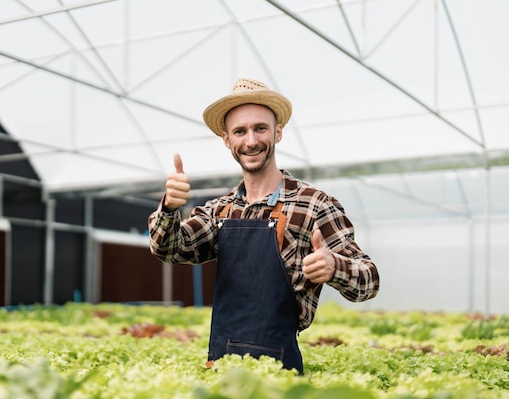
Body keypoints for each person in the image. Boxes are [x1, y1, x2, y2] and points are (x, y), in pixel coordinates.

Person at [147, 77, 379, 375]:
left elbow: (369, 282)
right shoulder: (220, 210)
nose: (251, 141)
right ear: (227, 140)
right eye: (240, 131)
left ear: (278, 133)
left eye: (260, 128)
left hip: (280, 370)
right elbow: (169, 249)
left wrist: (335, 267)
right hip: (222, 365)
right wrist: (169, 207)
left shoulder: (314, 205)